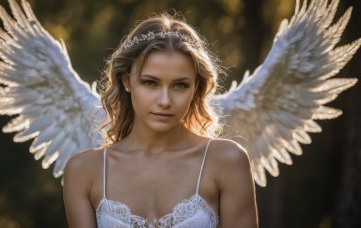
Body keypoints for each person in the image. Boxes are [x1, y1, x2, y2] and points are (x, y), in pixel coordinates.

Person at [63, 13, 258, 228]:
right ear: (127, 81)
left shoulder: (226, 160)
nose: (165, 101)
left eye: (180, 85)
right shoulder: (84, 170)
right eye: (150, 83)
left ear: (196, 89)